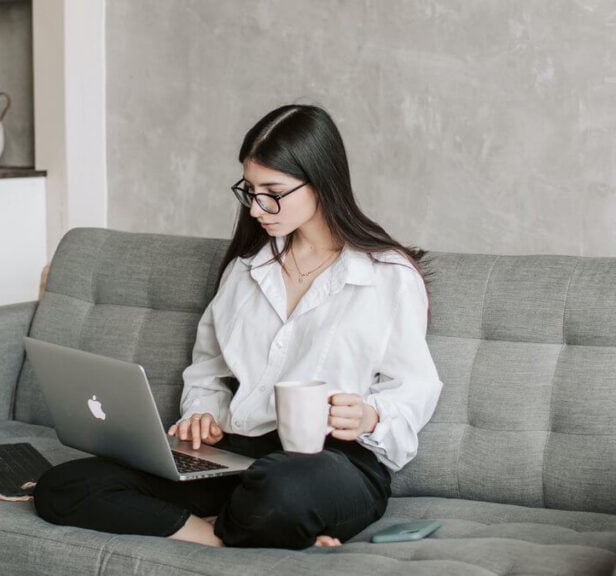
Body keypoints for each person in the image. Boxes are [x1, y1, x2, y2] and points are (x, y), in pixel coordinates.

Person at [33, 104, 442, 549]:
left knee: (283, 489)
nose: (256, 208)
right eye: (249, 190)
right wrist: (201, 415)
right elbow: (208, 371)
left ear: (321, 181)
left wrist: (370, 415)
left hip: (331, 462)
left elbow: (414, 387)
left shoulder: (386, 274)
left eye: (273, 191)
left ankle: (257, 521)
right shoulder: (247, 270)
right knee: (65, 484)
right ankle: (215, 534)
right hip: (237, 454)